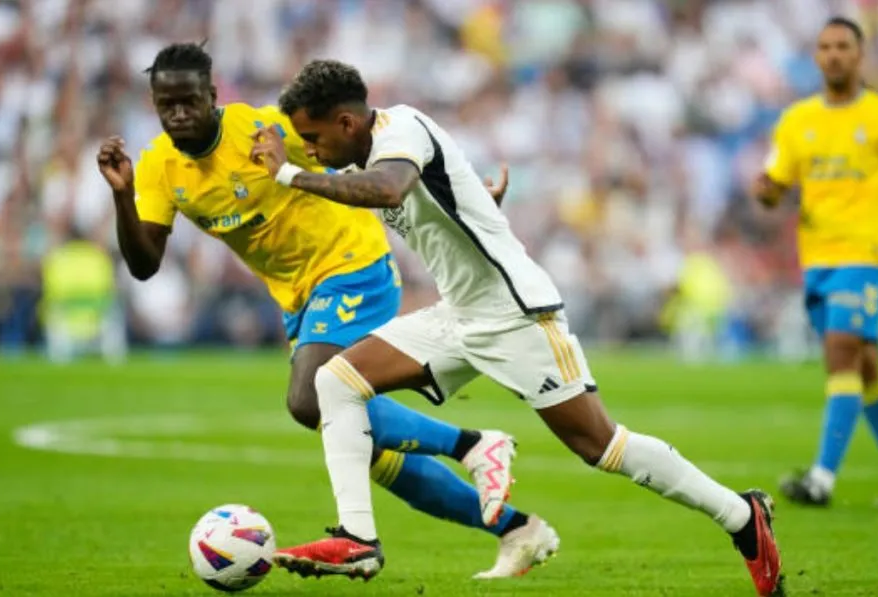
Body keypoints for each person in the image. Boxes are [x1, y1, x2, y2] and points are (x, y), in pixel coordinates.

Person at [252, 59, 785, 597]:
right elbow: (439, 193)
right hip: (459, 315)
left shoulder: (401, 130)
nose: (310, 149)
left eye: (312, 137)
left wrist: (288, 174)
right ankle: (358, 539)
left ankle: (741, 516)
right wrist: (479, 203)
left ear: (347, 123)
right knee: (335, 380)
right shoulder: (364, 155)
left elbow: (390, 189)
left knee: (600, 445)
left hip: (516, 314)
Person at [95, 42, 559, 579]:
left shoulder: (263, 130)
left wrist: (460, 193)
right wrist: (123, 197)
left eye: (189, 101)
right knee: (373, 454)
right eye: (165, 104)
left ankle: (473, 445)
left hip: (353, 265)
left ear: (213, 96)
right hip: (299, 301)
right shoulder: (158, 168)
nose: (178, 113)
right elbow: (145, 263)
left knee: (310, 396)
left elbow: (361, 146)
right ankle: (517, 529)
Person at [752, 17, 878, 507]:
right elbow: (774, 187)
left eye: (843, 46)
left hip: (864, 254)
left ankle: (822, 479)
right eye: (824, 47)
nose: (833, 55)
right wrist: (765, 193)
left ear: (859, 54)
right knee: (865, 367)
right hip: (817, 260)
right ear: (816, 56)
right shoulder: (797, 121)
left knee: (841, 352)